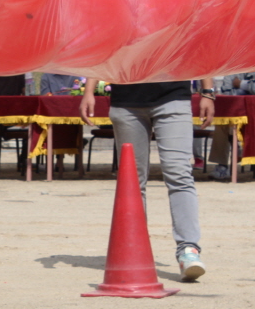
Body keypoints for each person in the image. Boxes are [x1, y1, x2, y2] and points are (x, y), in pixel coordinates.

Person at [80, 75, 214, 280]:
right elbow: (102, 45)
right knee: (132, 181)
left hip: (173, 96)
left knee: (179, 174)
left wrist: (208, 93)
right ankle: (135, 250)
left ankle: (188, 249)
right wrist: (88, 91)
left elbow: (199, 48)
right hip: (126, 100)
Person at [210, 68, 255, 180]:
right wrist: (243, 88)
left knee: (231, 125)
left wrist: (240, 84)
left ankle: (238, 146)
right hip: (236, 113)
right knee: (222, 125)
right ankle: (222, 166)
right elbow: (227, 91)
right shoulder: (234, 68)